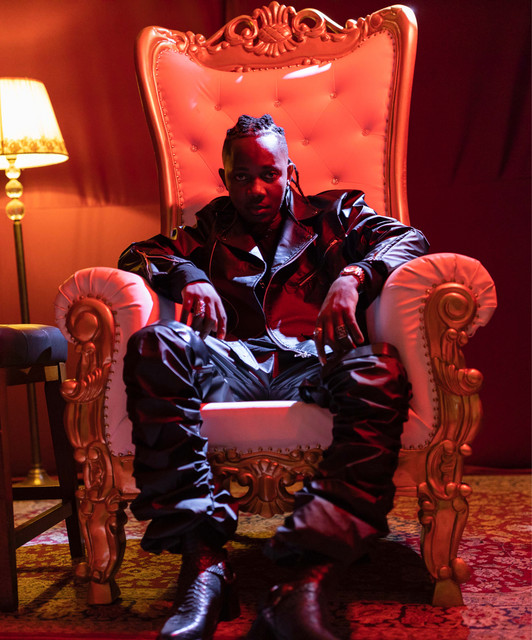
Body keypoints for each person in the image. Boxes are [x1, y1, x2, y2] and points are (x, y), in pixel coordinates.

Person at [119, 114, 429, 640]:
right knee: (157, 342)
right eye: (242, 177)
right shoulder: (209, 228)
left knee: (379, 367)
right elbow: (138, 254)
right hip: (231, 364)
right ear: (225, 179)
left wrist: (354, 275)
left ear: (290, 171)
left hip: (314, 362)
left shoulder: (338, 214)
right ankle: (205, 566)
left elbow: (409, 239)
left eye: (269, 174)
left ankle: (306, 581)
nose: (257, 189)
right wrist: (189, 275)